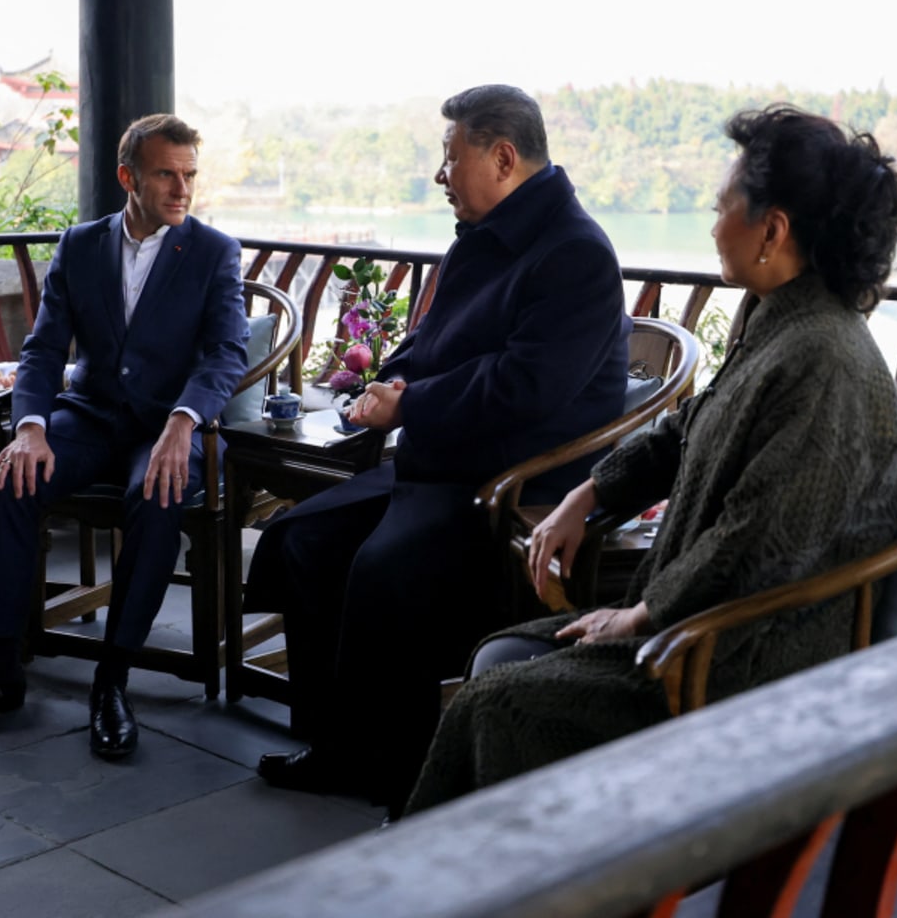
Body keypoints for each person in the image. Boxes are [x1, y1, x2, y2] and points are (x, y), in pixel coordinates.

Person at [403, 103, 897, 814]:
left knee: (497, 702)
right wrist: (590, 494)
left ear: (772, 230)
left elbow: (760, 542)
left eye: (721, 208)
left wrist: (643, 614)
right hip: (699, 621)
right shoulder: (778, 320)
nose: (711, 226)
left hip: (741, 657)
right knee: (496, 655)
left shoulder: (823, 359)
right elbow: (686, 427)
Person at [249, 84, 632, 817]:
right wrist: (384, 378)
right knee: (300, 538)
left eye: (449, 158)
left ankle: (402, 770)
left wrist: (412, 405)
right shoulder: (486, 236)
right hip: (440, 460)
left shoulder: (575, 254)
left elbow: (527, 386)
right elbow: (433, 341)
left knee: (384, 566)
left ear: (503, 157)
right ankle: (338, 745)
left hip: (509, 477)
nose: (440, 174)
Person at [0, 113, 249, 757]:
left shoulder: (214, 251)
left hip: (166, 426)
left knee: (157, 494)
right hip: (92, 413)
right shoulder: (80, 245)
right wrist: (29, 428)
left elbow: (226, 355)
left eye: (190, 175)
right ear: (128, 176)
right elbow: (45, 350)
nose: (183, 189)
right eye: (167, 174)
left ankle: (113, 679)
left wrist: (183, 423)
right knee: (9, 480)